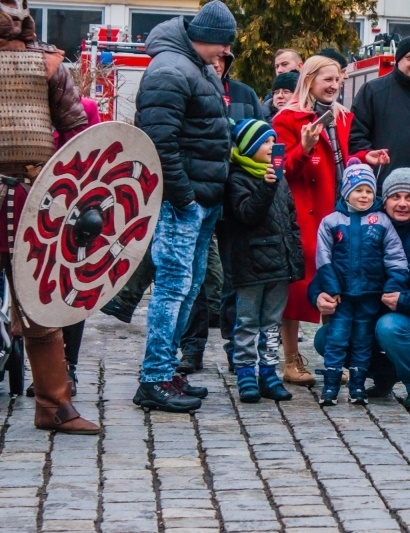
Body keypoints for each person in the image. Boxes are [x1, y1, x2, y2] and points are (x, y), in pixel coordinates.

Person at [132, 0, 236, 413]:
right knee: (173, 289)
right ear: (207, 39)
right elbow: (158, 141)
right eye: (223, 46)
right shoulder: (171, 70)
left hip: (200, 198)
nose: (225, 55)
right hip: (184, 201)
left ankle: (166, 370)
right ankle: (154, 378)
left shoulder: (193, 66)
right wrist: (185, 197)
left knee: (186, 288)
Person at [0, 4, 99, 432]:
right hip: (27, 196)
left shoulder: (49, 67)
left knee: (39, 301)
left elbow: (77, 131)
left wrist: (60, 180)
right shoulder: (50, 65)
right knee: (39, 302)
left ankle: (54, 405)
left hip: (30, 195)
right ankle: (54, 406)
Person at [272, 56, 387, 387]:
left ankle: (334, 357)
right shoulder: (287, 119)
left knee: (337, 284)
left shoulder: (341, 117)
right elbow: (283, 169)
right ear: (309, 80)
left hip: (337, 211)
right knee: (299, 288)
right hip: (303, 215)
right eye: (328, 79)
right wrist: (305, 148)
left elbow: (342, 160)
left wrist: (366, 158)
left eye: (338, 79)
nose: (335, 85)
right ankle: (291, 359)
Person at [313, 168, 410, 408]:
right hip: (370, 314)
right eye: (395, 197)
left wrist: (408, 300)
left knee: (390, 327)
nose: (402, 204)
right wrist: (317, 295)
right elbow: (333, 268)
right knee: (326, 338)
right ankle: (384, 374)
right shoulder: (365, 227)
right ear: (384, 201)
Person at [177, 52, 265, 376]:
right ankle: (192, 347)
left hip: (236, 196)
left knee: (234, 276)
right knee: (193, 277)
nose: (216, 64)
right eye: (211, 58)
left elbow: (263, 139)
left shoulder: (244, 94)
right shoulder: (187, 90)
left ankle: (235, 347)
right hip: (196, 193)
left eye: (222, 59)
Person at [311, 162, 408, 406]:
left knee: (363, 341)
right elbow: (323, 257)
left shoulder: (382, 222)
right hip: (342, 295)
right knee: (337, 338)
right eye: (358, 190)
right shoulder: (331, 222)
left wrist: (391, 285)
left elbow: (395, 257)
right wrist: (331, 288)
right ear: (346, 192)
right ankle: (331, 386)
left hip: (370, 294)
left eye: (368, 191)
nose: (364, 196)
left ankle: (358, 386)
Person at [226, 119, 303, 404]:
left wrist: (294, 255)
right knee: (247, 320)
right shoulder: (238, 178)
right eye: (267, 142)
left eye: (273, 141)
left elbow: (290, 220)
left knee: (271, 323)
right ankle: (246, 371)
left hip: (279, 265)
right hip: (250, 264)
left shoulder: (279, 178)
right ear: (251, 146)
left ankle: (268, 372)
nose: (273, 146)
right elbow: (246, 214)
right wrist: (266, 187)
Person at [349, 35, 410, 191]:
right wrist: (374, 160)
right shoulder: (373, 91)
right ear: (398, 59)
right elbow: (355, 135)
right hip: (383, 187)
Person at [261, 49, 303, 118]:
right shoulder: (267, 105)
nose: (279, 70)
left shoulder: (316, 95)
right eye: (277, 66)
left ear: (300, 66)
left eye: (284, 64)